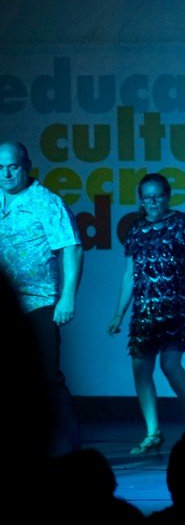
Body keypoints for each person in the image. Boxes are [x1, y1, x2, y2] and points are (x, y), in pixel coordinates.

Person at [107, 173, 185, 455]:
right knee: (140, 369)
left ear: (167, 196)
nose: (152, 202)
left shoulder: (184, 223)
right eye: (147, 197)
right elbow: (129, 274)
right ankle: (152, 432)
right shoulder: (136, 229)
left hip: (177, 306)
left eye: (158, 196)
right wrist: (118, 314)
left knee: (170, 365)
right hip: (145, 310)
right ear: (141, 200)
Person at [0, 140, 83, 457]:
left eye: (13, 166)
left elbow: (72, 248)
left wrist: (67, 297)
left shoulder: (46, 202)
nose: (6, 174)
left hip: (39, 302)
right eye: (0, 168)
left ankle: (69, 452)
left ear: (27, 166)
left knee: (47, 378)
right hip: (7, 303)